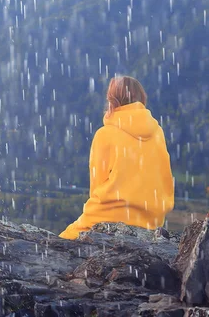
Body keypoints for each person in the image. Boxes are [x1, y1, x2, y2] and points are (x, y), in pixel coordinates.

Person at [59, 76, 174, 240]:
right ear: (141, 99)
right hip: (151, 220)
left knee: (62, 241)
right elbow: (164, 176)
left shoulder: (105, 134)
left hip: (108, 217)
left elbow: (96, 187)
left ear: (112, 101)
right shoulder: (158, 132)